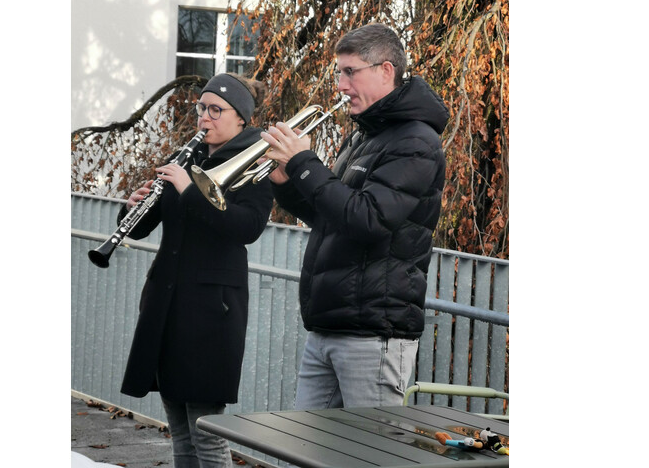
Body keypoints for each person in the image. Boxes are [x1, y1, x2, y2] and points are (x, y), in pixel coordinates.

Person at [260, 23, 449, 410]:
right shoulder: (364, 136)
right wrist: (286, 180)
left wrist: (304, 162)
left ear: (385, 71)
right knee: (308, 450)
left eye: (350, 72)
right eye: (339, 73)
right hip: (331, 324)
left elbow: (368, 220)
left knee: (370, 455)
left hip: (373, 333)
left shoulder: (416, 141)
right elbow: (332, 215)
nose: (341, 86)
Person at [118, 73, 273, 468]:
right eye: (201, 108)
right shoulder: (187, 158)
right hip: (168, 306)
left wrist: (188, 191)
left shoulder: (255, 162)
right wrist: (132, 206)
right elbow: (142, 227)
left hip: (211, 312)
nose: (204, 118)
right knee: (181, 436)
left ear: (240, 117)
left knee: (206, 437)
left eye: (215, 110)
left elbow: (245, 228)